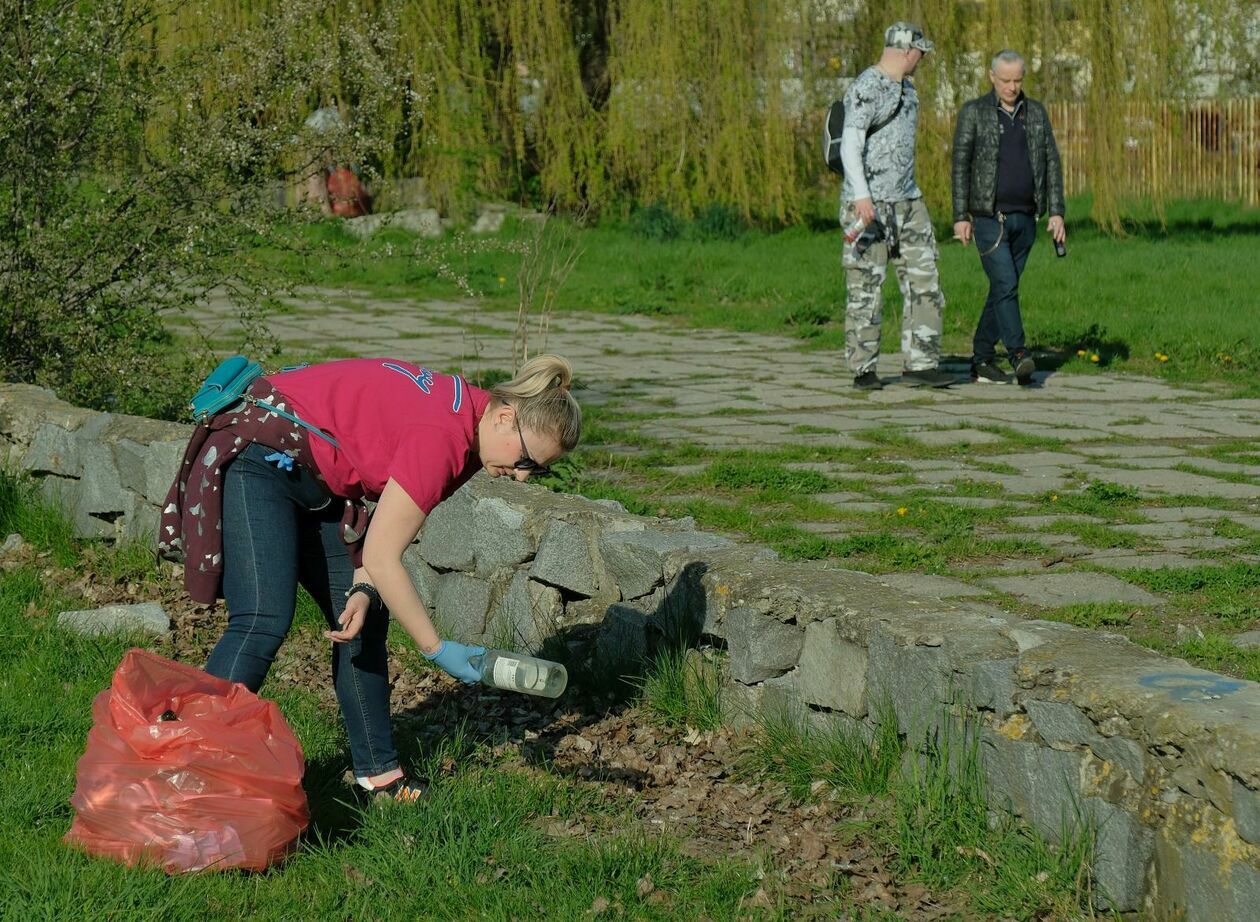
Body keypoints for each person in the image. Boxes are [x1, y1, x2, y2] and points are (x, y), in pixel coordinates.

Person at [159, 355, 580, 801]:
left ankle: (378, 778)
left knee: (363, 617)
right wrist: (437, 649)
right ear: (506, 415)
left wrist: (361, 585)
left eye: (536, 470)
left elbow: (385, 524)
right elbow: (382, 555)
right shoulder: (444, 436)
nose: (520, 476)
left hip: (313, 474)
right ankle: (180, 761)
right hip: (261, 455)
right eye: (525, 460)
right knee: (262, 616)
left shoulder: (470, 425)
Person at [839, 21, 955, 391]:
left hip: (908, 201)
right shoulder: (865, 87)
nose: (923, 59)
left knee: (925, 281)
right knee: (865, 287)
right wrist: (861, 195)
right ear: (906, 50)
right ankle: (863, 369)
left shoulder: (910, 89)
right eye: (921, 52)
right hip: (868, 206)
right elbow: (850, 145)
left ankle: (922, 363)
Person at [951, 50, 1066, 386]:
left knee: (1003, 289)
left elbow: (1052, 164)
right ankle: (1018, 353)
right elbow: (960, 165)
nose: (1012, 87)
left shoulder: (1036, 114)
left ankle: (982, 357)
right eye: (1005, 80)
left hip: (1026, 219)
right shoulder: (974, 113)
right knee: (1005, 284)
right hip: (990, 219)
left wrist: (1056, 211)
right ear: (991, 77)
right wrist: (961, 216)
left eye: (1017, 80)